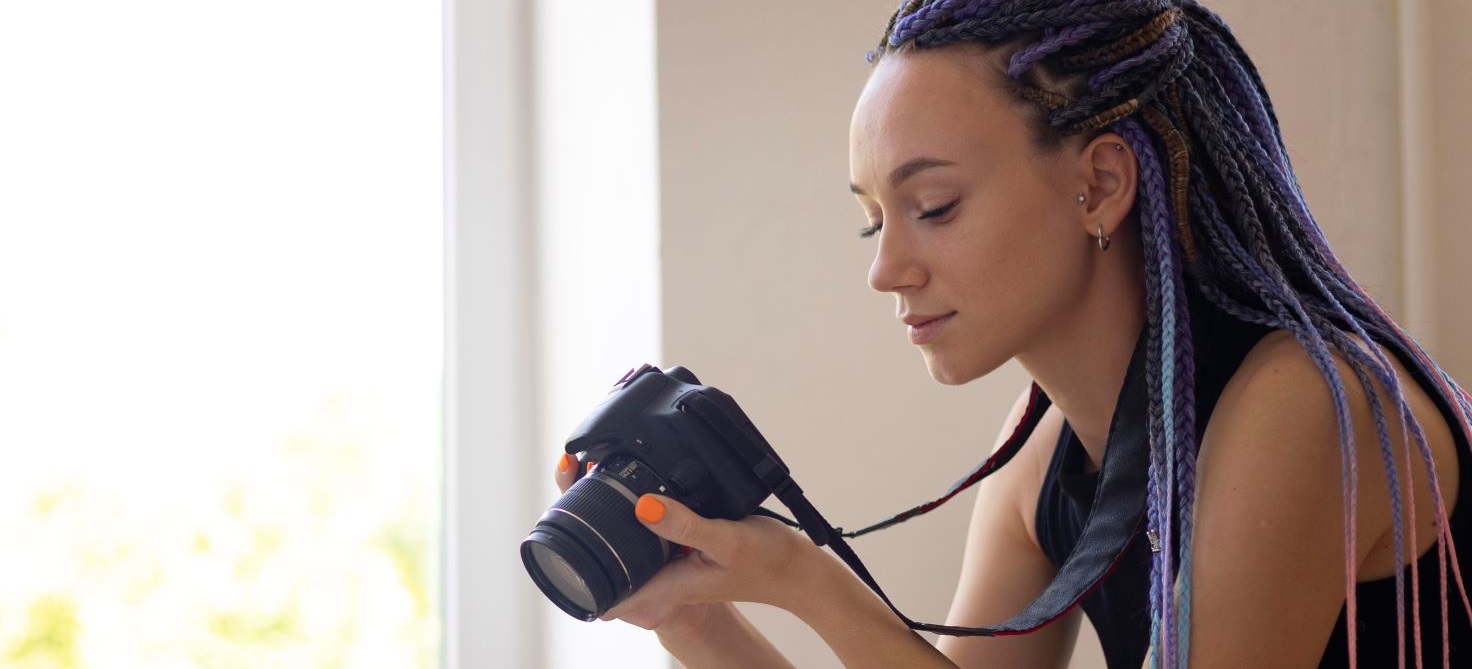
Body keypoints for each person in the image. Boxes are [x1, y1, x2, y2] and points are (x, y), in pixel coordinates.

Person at [552, 1, 1472, 667]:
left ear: (1101, 183)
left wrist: (807, 577)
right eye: (877, 220)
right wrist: (695, 616)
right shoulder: (1044, 454)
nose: (887, 268)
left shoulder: (1303, 406)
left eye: (934, 206)